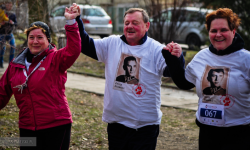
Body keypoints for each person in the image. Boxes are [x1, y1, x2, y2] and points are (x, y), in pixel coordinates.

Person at [75, 4, 185, 149]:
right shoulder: (112, 43)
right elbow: (85, 44)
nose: (129, 26)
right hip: (116, 124)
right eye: (127, 23)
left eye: (135, 23)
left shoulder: (156, 49)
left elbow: (173, 73)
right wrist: (75, 20)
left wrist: (177, 58)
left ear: (147, 26)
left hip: (145, 127)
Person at [162, 8, 250, 149]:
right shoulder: (202, 56)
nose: (218, 34)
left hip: (239, 134)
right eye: (213, 31)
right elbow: (185, 83)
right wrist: (174, 61)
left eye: (223, 30)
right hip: (207, 133)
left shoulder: (246, 59)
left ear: (233, 32)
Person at [0, 3, 80, 150]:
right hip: (27, 128)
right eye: (31, 37)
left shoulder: (55, 59)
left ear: (48, 40)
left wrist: (70, 22)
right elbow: (1, 93)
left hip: (56, 126)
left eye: (40, 37)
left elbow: (73, 50)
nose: (35, 41)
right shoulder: (15, 65)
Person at [0, 1, 17, 68]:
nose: (9, 6)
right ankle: (0, 63)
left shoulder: (13, 14)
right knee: (2, 49)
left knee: (13, 46)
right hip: (2, 33)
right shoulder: (1, 12)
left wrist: (12, 23)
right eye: (7, 5)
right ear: (5, 5)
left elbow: (16, 23)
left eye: (10, 5)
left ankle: (11, 63)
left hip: (10, 33)